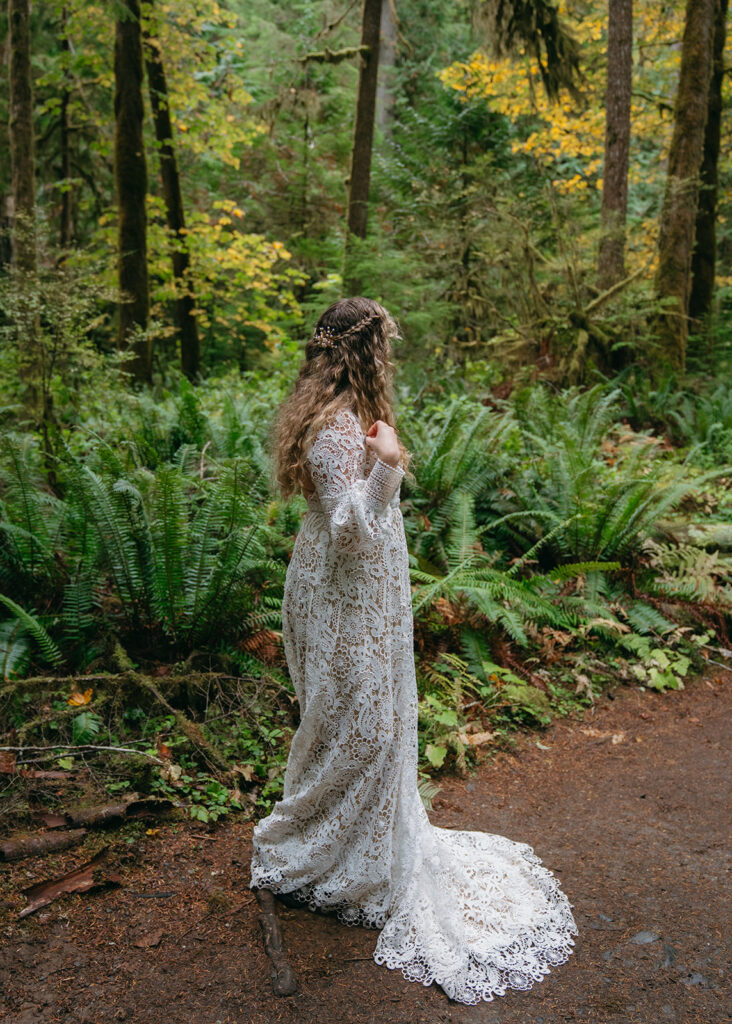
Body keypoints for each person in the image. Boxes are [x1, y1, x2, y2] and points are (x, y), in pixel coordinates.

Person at [249, 296, 579, 1004]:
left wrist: (384, 461)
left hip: (357, 592)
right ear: (364, 351)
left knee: (363, 720)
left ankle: (352, 846)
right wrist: (389, 465)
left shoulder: (342, 415)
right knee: (357, 725)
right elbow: (348, 529)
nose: (391, 357)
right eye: (385, 346)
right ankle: (311, 851)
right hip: (343, 595)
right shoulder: (335, 425)